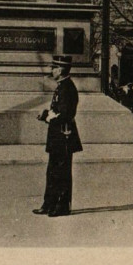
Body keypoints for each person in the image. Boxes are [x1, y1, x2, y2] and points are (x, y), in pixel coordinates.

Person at [33, 55, 82, 217]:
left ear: (60, 70)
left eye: (54, 68)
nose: (52, 70)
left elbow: (66, 114)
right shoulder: (62, 86)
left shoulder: (67, 88)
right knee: (53, 171)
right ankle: (49, 203)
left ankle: (62, 206)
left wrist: (48, 117)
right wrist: (47, 114)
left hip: (64, 135)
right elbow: (58, 110)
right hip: (58, 135)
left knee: (62, 172)